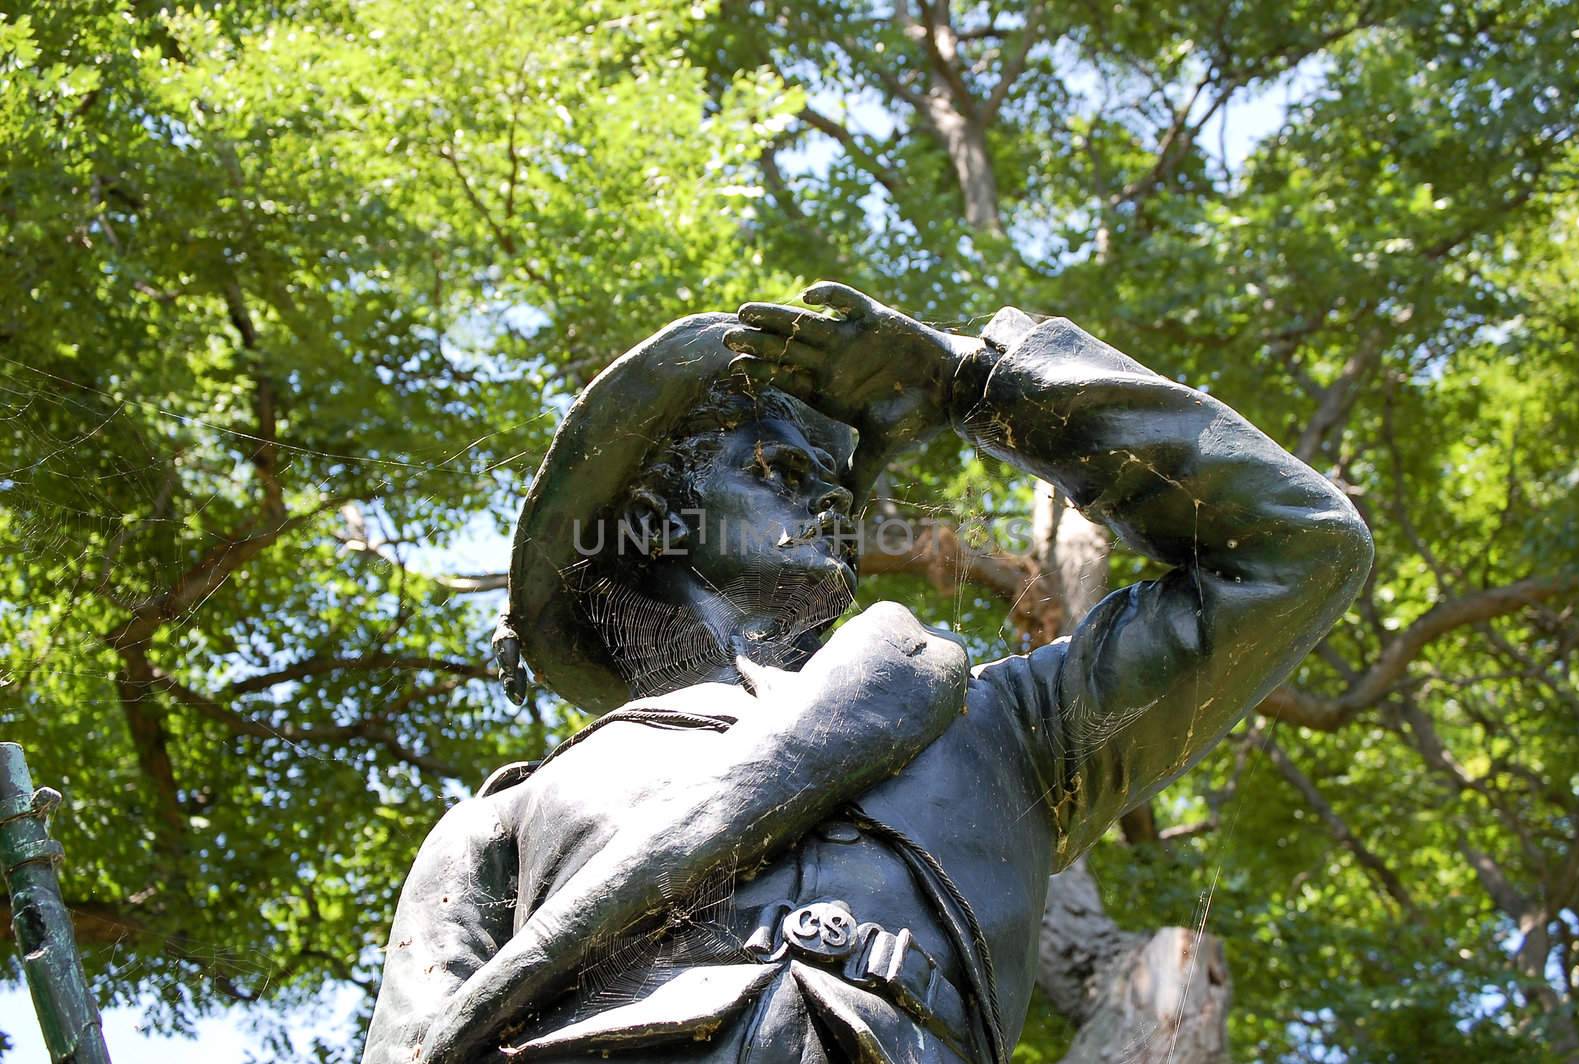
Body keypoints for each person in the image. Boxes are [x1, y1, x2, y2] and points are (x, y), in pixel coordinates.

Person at [361, 283, 1373, 1064]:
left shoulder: (1013, 729)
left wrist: (972, 381)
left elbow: (1298, 548)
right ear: (661, 519)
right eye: (774, 468)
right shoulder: (507, 816)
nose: (828, 496)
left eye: (833, 478)